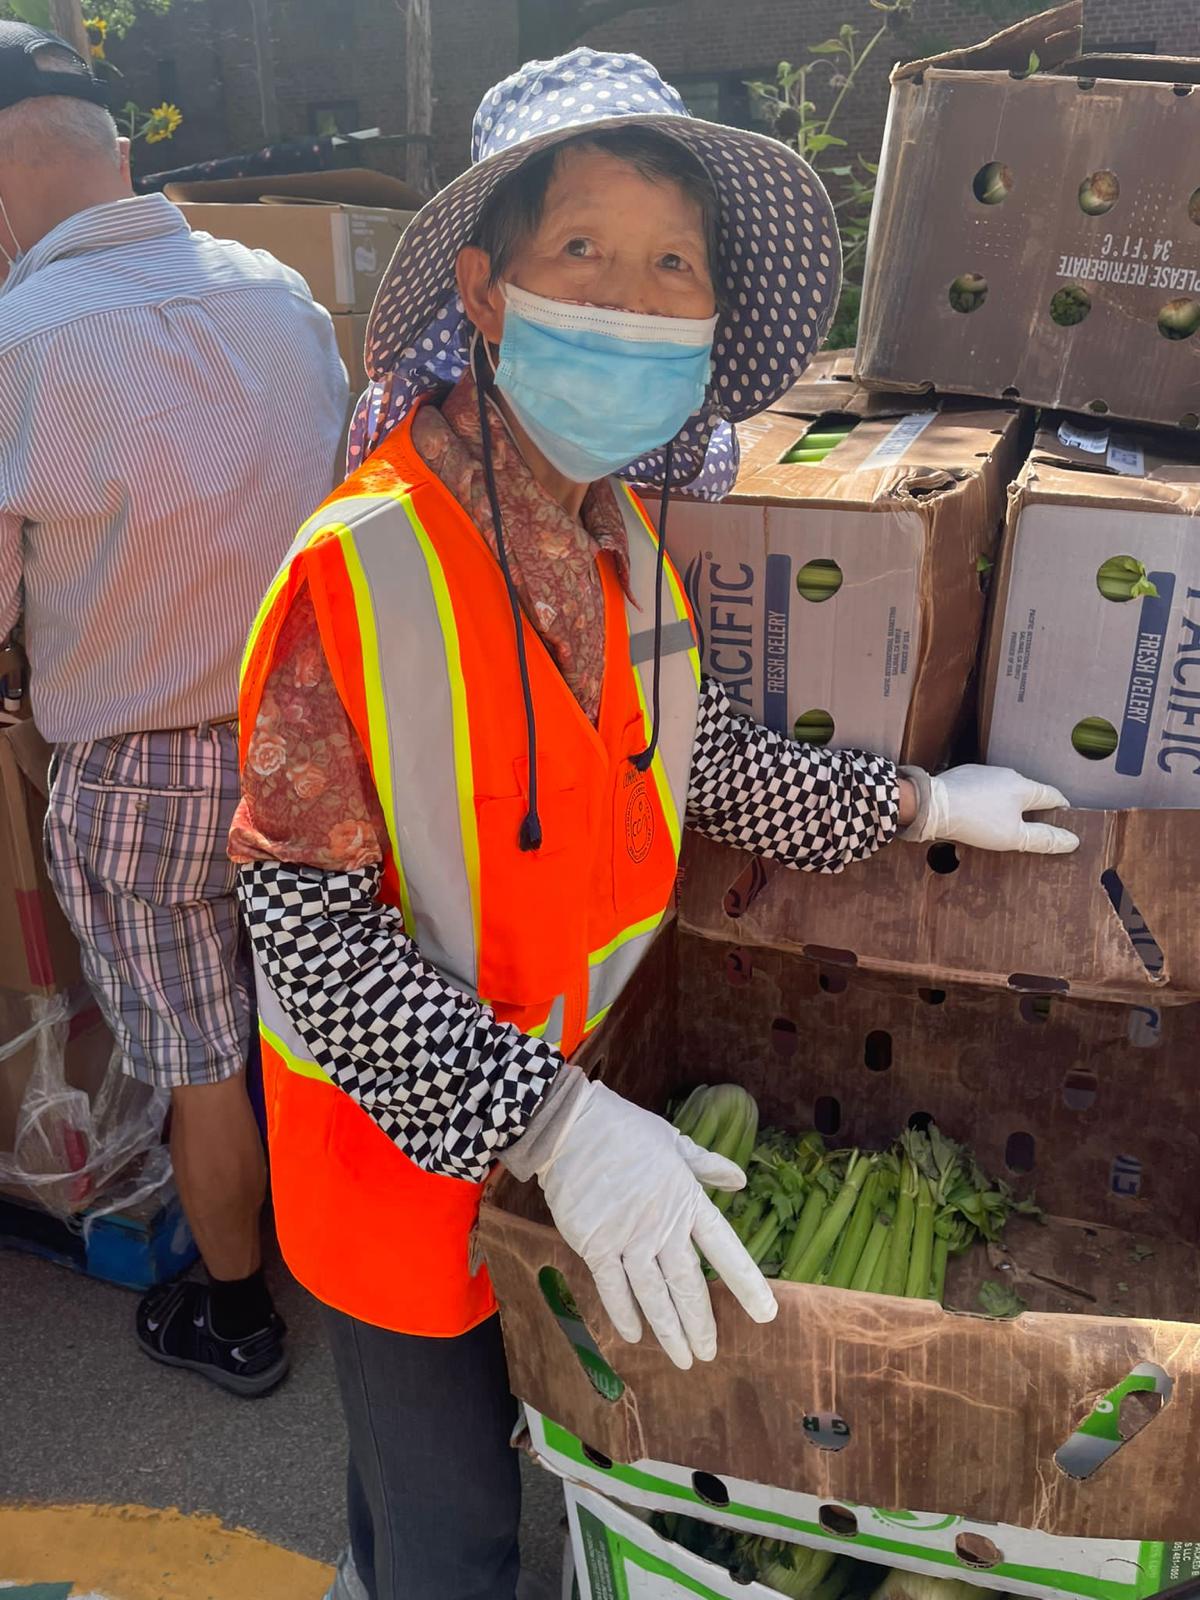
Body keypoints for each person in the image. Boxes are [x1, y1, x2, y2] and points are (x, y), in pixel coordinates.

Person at [229, 49, 1078, 1600]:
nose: (631, 299)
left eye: (672, 265)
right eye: (583, 250)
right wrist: (555, 1125)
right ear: (484, 294)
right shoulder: (359, 567)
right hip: (410, 1176)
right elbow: (310, 947)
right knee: (452, 1536)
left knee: (512, 1488)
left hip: (580, 1137)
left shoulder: (618, 542)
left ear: (707, 319)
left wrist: (916, 804)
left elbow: (704, 764)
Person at [0, 22, 349, 1396]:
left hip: (138, 772)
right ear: (117, 156)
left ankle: (238, 1316)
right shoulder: (280, 296)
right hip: (315, 742)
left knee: (202, 1064)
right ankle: (365, 1268)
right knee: (328, 1021)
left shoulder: (15, 344)